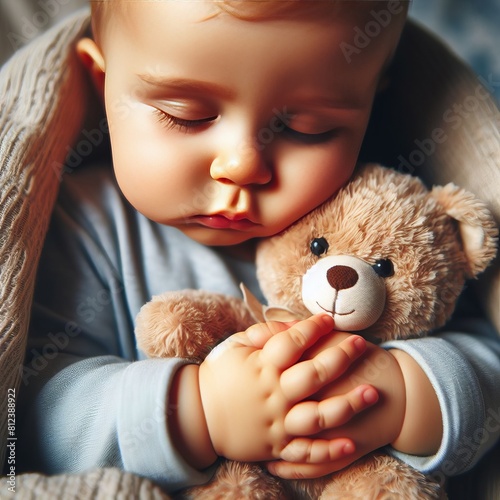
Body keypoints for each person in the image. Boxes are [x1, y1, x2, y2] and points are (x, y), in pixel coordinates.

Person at [15, 0, 500, 493]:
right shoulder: (83, 223)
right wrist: (199, 412)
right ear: (104, 87)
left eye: (306, 127)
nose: (242, 164)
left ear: (371, 109)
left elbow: (488, 362)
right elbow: (32, 418)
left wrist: (402, 396)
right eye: (185, 115)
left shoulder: (380, 214)